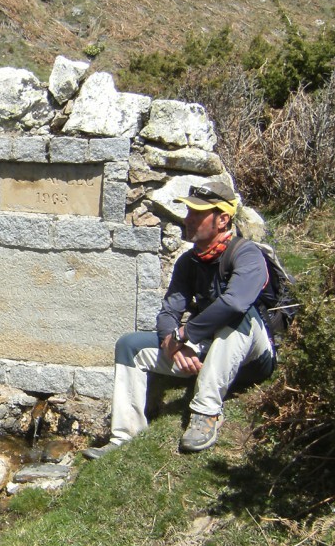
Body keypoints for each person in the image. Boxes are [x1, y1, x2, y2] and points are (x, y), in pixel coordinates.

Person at [84, 180, 276, 458]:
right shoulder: (190, 261)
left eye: (197, 214)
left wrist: (184, 335)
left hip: (253, 358)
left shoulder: (246, 254)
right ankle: (123, 438)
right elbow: (169, 311)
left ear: (222, 219)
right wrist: (171, 342)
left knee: (237, 316)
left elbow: (235, 303)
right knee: (129, 345)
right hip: (208, 351)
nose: (188, 220)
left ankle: (206, 413)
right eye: (188, 212)